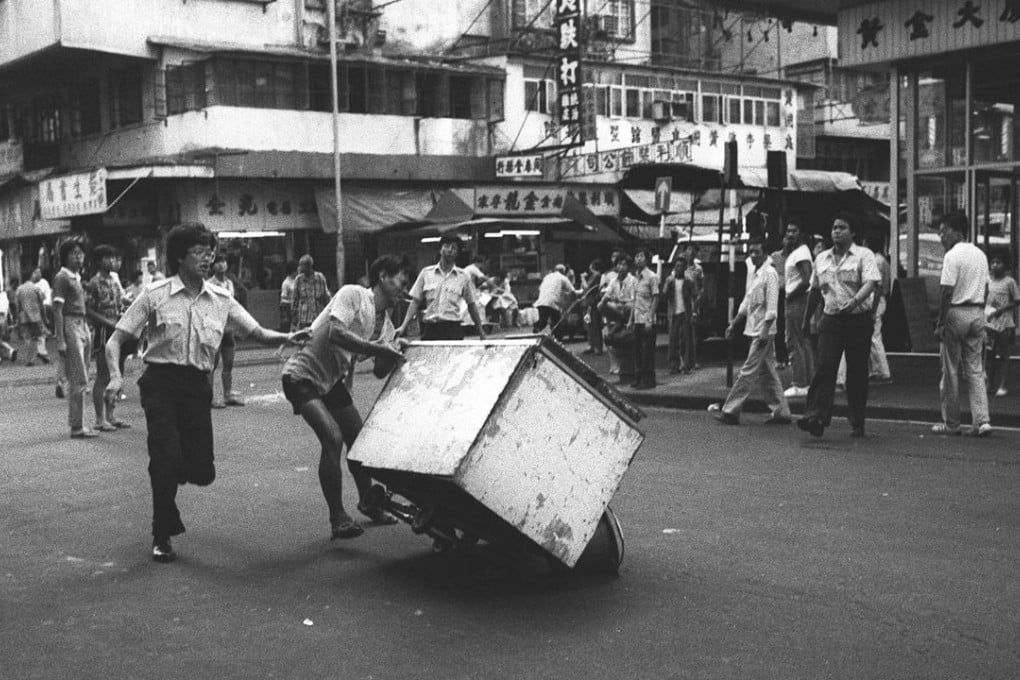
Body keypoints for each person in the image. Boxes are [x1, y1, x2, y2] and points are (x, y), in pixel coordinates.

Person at [104, 222, 309, 563]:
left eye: (209, 252)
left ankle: (175, 467)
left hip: (198, 387)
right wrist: (115, 377)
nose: (207, 258)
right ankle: (162, 532)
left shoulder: (222, 299)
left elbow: (257, 332)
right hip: (161, 384)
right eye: (199, 252)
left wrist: (289, 337)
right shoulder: (155, 295)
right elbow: (115, 340)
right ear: (180, 257)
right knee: (164, 458)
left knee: (202, 472)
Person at [281, 255, 409, 540]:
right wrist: (379, 349)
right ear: (384, 277)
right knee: (333, 437)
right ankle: (337, 517)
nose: (404, 288)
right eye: (401, 281)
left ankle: (368, 501)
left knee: (358, 439)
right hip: (300, 375)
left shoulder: (386, 326)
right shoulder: (352, 294)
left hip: (331, 382)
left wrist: (397, 351)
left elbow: (378, 371)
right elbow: (337, 333)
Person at [797, 213, 880, 438]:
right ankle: (816, 415)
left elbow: (872, 282)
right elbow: (815, 290)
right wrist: (806, 320)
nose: (836, 231)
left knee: (856, 372)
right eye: (834, 227)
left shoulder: (864, 255)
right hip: (831, 319)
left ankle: (857, 420)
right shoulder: (822, 258)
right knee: (825, 366)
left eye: (842, 227)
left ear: (853, 232)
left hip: (857, 320)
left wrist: (854, 303)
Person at [711, 239, 792, 426]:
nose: (753, 255)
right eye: (751, 252)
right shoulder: (755, 274)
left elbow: (772, 308)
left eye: (757, 252)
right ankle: (782, 412)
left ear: (765, 253)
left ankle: (730, 410)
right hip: (753, 329)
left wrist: (765, 331)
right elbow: (747, 303)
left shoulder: (770, 274)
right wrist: (734, 323)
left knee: (748, 371)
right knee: (767, 372)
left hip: (763, 331)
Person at [931, 212, 992, 437]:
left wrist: (940, 321)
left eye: (944, 230)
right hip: (977, 311)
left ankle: (952, 423)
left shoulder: (951, 256)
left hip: (956, 312)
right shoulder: (980, 254)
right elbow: (986, 288)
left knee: (951, 370)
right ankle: (982, 421)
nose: (941, 236)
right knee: (975, 369)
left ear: (958, 231)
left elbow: (946, 290)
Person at [397, 234, 486, 340]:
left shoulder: (463, 277)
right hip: (431, 330)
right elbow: (415, 302)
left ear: (457, 253)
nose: (450, 250)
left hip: (453, 330)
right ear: (440, 249)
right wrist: (403, 326)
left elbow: (471, 305)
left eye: (454, 247)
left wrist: (481, 331)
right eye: (447, 246)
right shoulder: (426, 273)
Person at [52, 240, 96, 439]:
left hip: (83, 324)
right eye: (74, 253)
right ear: (65, 256)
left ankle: (61, 379)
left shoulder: (77, 277)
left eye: (81, 253)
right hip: (71, 324)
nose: (79, 256)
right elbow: (57, 310)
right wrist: (60, 339)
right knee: (79, 378)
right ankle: (76, 426)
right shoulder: (62, 277)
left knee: (83, 374)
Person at [85, 244, 129, 432]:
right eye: (107, 258)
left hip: (118, 330)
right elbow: (88, 310)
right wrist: (108, 322)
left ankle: (111, 415)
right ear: (98, 261)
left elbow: (120, 303)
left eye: (113, 257)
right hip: (103, 332)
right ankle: (99, 419)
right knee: (103, 376)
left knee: (117, 373)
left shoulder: (114, 280)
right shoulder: (93, 283)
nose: (112, 261)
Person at [781, 221, 815, 399]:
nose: (789, 234)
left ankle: (799, 382)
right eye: (788, 230)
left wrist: (790, 295)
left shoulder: (801, 253)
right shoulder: (798, 252)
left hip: (796, 300)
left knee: (793, 341)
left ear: (801, 233)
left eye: (794, 230)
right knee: (804, 341)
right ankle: (808, 381)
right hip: (799, 299)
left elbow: (806, 279)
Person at [207, 255, 245, 408]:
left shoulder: (229, 283)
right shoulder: (208, 284)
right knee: (212, 364)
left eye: (223, 261)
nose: (221, 265)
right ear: (213, 266)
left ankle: (228, 395)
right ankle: (209, 398)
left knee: (229, 362)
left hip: (228, 329)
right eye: (218, 263)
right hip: (214, 328)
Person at [599, 254, 636, 383]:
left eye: (624, 264)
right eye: (619, 264)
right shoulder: (614, 280)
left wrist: (618, 300)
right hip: (618, 312)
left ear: (628, 267)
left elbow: (633, 300)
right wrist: (605, 299)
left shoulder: (633, 280)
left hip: (630, 311)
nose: (621, 267)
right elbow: (607, 293)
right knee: (600, 305)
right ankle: (617, 322)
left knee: (629, 306)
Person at [986, 252, 1019, 397]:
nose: (995, 265)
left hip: (1005, 323)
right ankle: (989, 384)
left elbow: (1017, 301)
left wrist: (1002, 309)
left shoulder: (1009, 282)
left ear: (1005, 265)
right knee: (989, 354)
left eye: (998, 262)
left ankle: (1002, 384)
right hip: (991, 323)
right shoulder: (990, 281)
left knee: (1004, 355)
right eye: (993, 262)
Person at [631, 250, 659, 389]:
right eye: (637, 256)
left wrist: (650, 318)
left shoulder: (652, 277)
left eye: (641, 256)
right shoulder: (636, 277)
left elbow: (656, 298)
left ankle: (648, 381)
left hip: (647, 320)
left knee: (647, 351)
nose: (639, 259)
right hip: (637, 319)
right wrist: (631, 320)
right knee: (638, 351)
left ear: (646, 259)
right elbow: (634, 300)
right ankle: (639, 378)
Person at [867, 237, 893, 384]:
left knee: (874, 337)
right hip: (880, 300)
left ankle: (883, 371)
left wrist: (873, 309)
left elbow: (877, 287)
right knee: (874, 336)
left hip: (875, 301)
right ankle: (877, 370)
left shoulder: (876, 261)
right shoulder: (883, 260)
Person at [664, 256, 695, 374]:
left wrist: (694, 312)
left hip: (686, 312)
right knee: (673, 340)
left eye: (681, 266)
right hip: (674, 313)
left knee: (687, 340)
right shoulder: (670, 281)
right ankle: (673, 365)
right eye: (677, 266)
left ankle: (687, 365)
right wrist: (667, 284)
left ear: (685, 268)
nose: (679, 268)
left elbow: (695, 295)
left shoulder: (689, 281)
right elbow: (664, 294)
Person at [532, 264, 580, 337]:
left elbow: (540, 288)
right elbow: (572, 291)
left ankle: (536, 329)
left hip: (541, 301)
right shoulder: (563, 278)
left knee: (543, 321)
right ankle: (557, 338)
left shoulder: (547, 277)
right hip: (552, 302)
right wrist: (577, 299)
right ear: (563, 272)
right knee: (556, 321)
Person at [15, 269, 49, 367]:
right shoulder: (36, 288)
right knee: (41, 335)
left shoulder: (19, 289)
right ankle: (41, 351)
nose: (38, 275)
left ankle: (30, 360)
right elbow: (42, 304)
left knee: (27, 338)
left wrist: (17, 318)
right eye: (36, 273)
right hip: (36, 316)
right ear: (31, 275)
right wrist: (45, 316)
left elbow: (17, 306)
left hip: (24, 317)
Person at [291, 254, 332, 331]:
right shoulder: (299, 280)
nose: (300, 269)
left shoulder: (320, 278)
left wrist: (330, 312)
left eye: (302, 266)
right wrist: (294, 319)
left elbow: (327, 297)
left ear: (309, 266)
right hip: (304, 320)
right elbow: (294, 301)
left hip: (318, 317)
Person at [683, 244, 706, 369]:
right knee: (682, 334)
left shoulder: (698, 269)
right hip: (682, 303)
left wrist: (697, 300)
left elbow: (702, 287)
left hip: (694, 302)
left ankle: (693, 360)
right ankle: (683, 360)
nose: (690, 253)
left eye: (693, 251)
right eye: (688, 250)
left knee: (693, 334)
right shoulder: (679, 267)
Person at [580, 259, 605, 355]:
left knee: (594, 324)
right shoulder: (596, 276)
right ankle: (592, 345)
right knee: (590, 323)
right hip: (590, 302)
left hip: (592, 302)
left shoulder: (596, 275)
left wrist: (582, 278)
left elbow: (587, 287)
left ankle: (597, 347)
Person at [279, 259, 298, 332]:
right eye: (296, 271)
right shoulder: (286, 283)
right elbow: (283, 299)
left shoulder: (298, 280)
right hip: (291, 310)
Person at [0, 282, 16, 364]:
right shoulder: (4, 296)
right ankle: (10, 350)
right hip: (4, 320)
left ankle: (9, 350)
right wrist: (10, 320)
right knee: (1, 339)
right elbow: (8, 309)